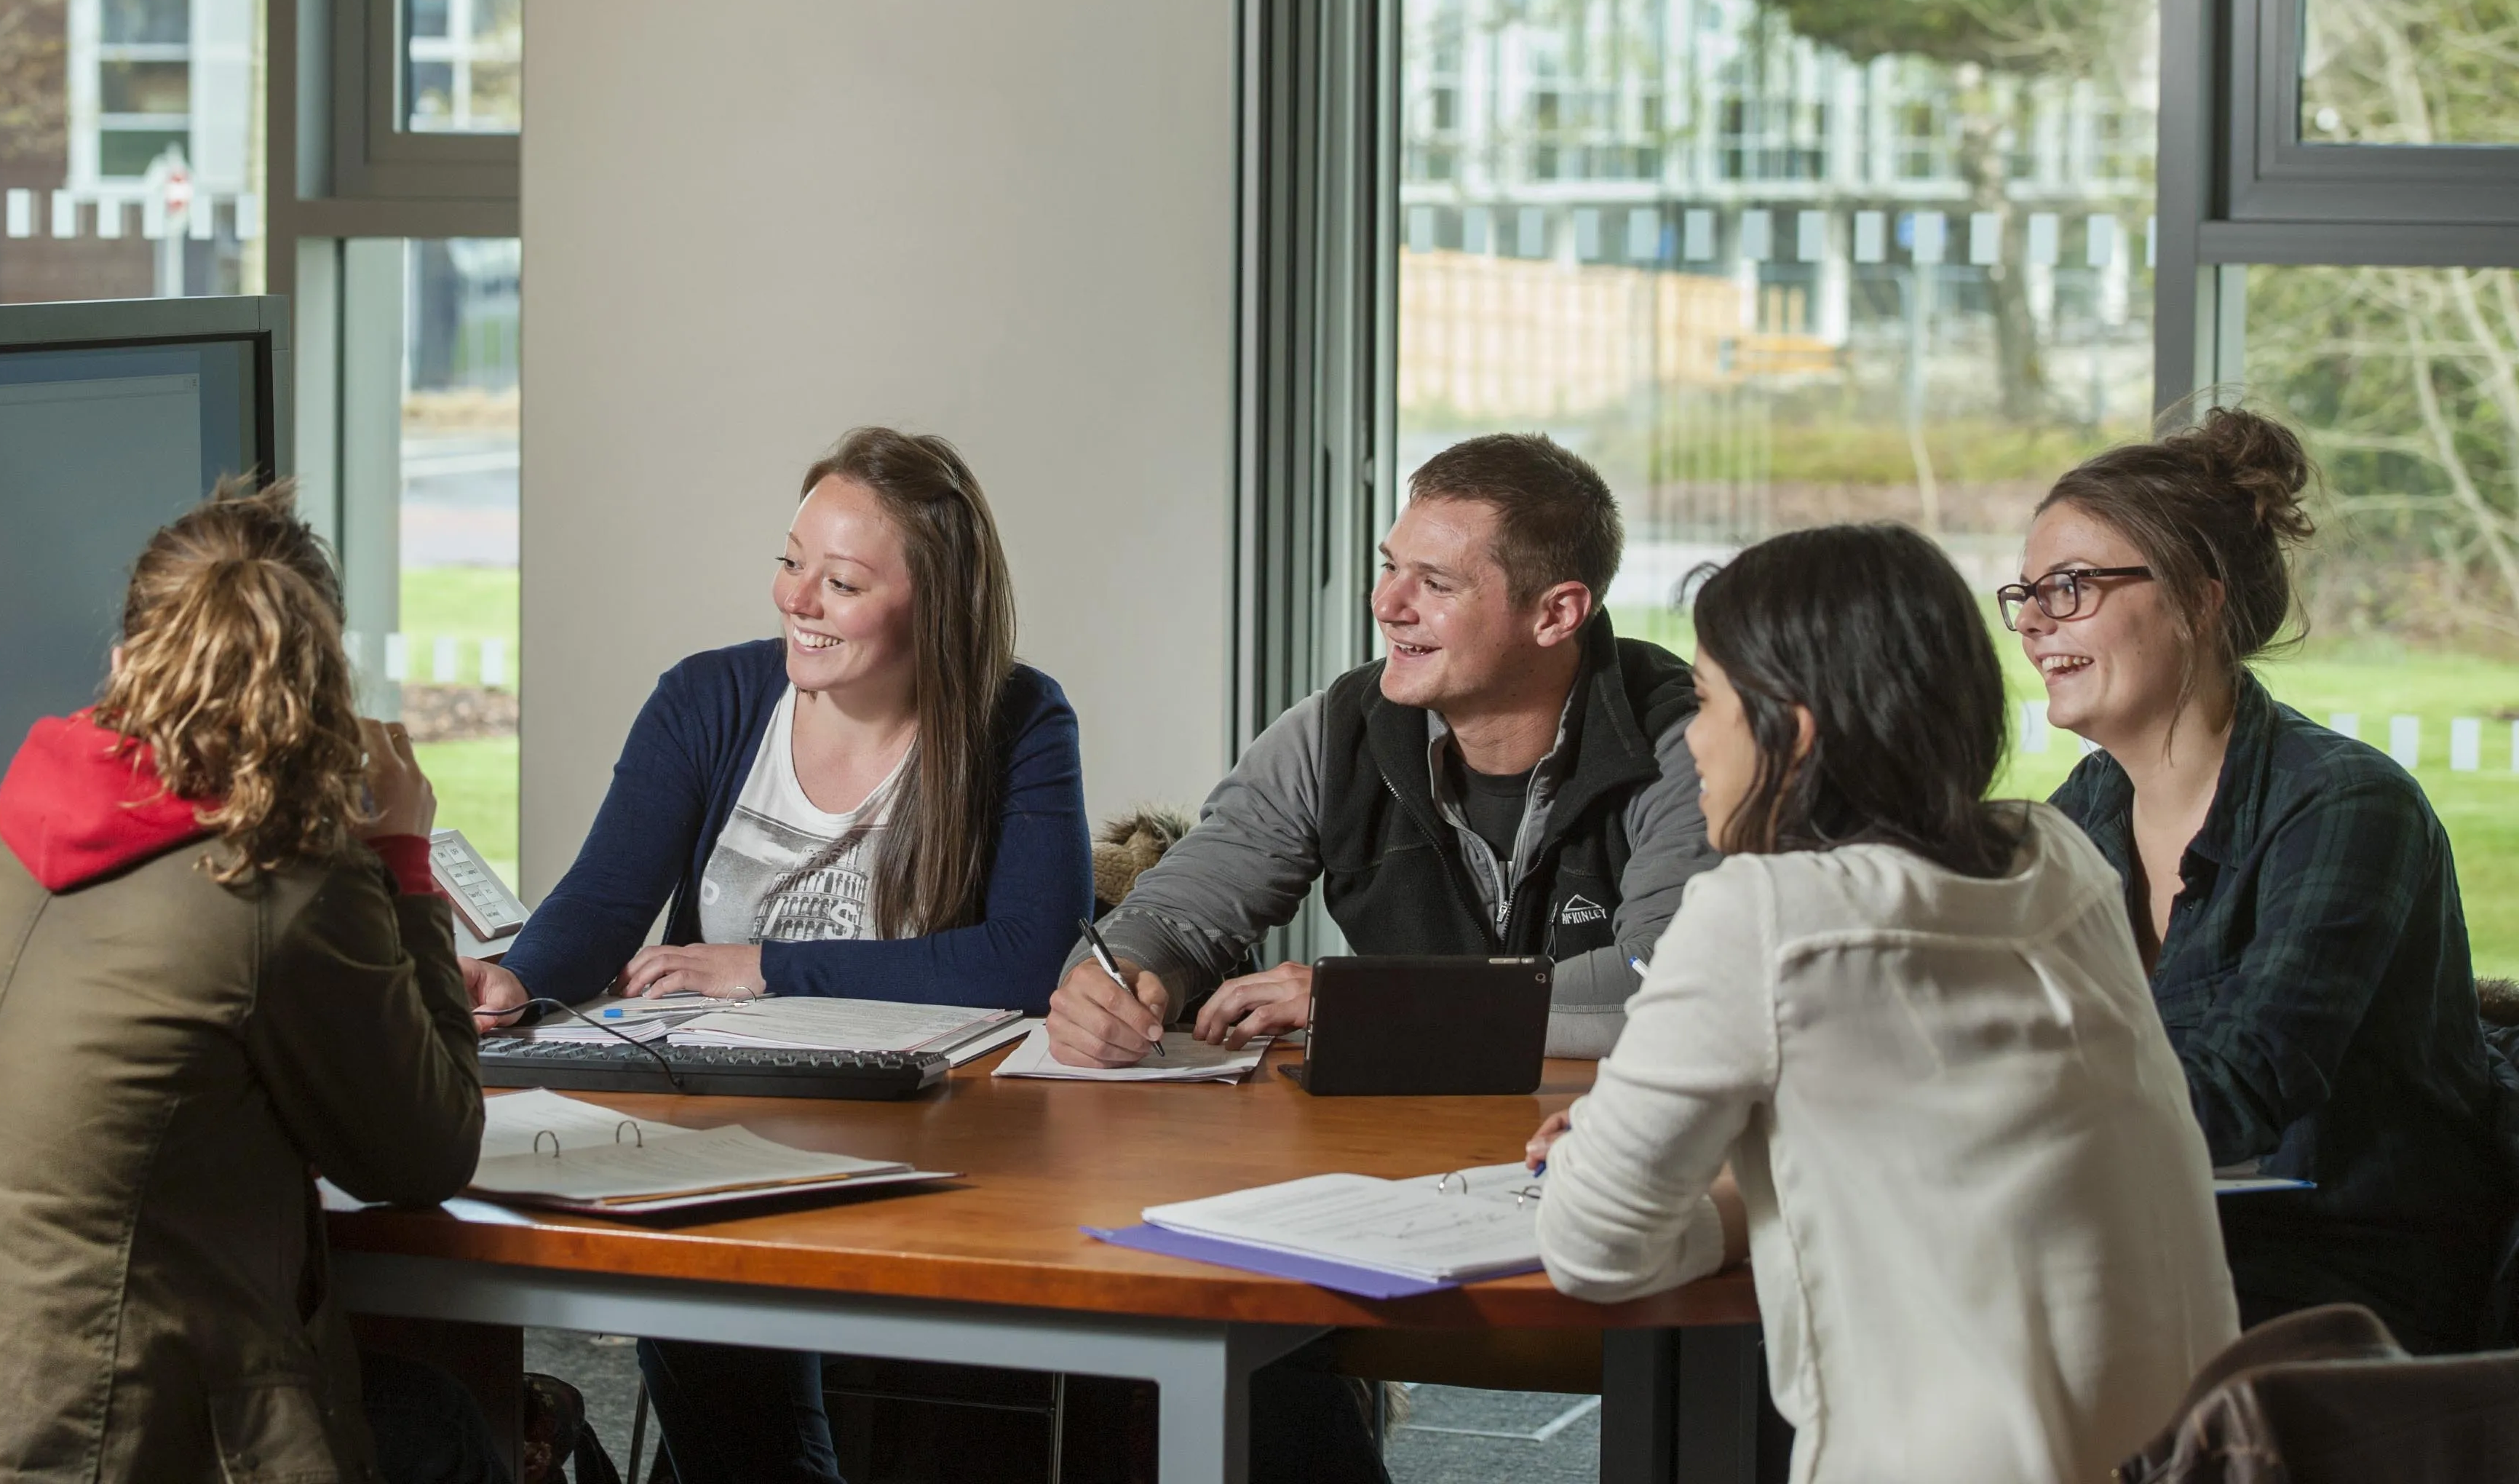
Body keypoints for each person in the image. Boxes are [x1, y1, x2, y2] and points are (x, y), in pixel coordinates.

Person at [0, 481, 504, 1484]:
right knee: (442, 1429)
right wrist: (402, 859)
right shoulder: (289, 889)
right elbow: (431, 1149)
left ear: (122, 663)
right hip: (92, 1445)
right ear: (321, 703)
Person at [1530, 523, 2240, 1484]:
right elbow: (1927, 1171)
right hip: (2185, 1454)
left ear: (1795, 726)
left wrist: (1606, 1159)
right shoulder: (2058, 859)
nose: (1690, 742)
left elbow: (1592, 1249)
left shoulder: (1762, 916)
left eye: (1707, 702)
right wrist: (1728, 1194)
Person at [466, 426, 1089, 1484]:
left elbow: (1026, 960)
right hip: (723, 1112)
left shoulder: (1017, 717)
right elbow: (606, 899)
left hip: (938, 1133)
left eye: (840, 581)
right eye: (790, 561)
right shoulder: (708, 698)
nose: (796, 598)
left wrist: (765, 964)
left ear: (934, 603)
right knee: (738, 1404)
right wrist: (518, 975)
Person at [2020, 408, 2518, 1351]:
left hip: (2352, 1272)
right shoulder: (2080, 814)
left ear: (2200, 600)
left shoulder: (2347, 808)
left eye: (2073, 587)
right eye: (2028, 593)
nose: (2036, 622)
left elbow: (2246, 1083)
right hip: (2167, 1237)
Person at [1046, 432, 1711, 1070]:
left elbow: (1671, 982)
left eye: (1436, 584)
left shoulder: (1693, 743)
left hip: (1601, 1147)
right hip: (1393, 1147)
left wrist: (1373, 1004)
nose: (1386, 604)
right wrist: (1114, 979)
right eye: (1390, 566)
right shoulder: (1333, 733)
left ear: (1556, 615)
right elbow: (1174, 916)